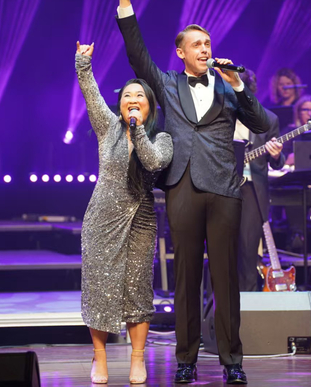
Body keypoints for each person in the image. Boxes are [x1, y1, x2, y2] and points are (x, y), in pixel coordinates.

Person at [115, 0, 270, 384]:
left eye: (208, 43)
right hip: (181, 185)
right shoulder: (167, 84)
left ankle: (232, 361)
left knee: (226, 277)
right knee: (186, 277)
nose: (204, 49)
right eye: (196, 44)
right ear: (181, 52)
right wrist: (125, 1)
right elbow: (137, 55)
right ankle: (186, 358)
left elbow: (263, 124)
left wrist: (238, 85)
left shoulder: (228, 87)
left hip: (223, 189)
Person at [75, 41, 173, 384]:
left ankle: (137, 358)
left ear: (150, 105)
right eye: (127, 95)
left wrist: (138, 129)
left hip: (140, 220)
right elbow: (90, 93)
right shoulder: (107, 127)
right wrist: (83, 63)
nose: (132, 99)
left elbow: (153, 162)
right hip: (102, 217)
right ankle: (100, 357)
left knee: (137, 289)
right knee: (99, 287)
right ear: (120, 103)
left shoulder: (162, 138)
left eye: (139, 96)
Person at [234, 69, 284, 292]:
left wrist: (276, 154)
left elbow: (277, 163)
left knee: (248, 249)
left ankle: (248, 302)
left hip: (252, 189)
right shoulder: (218, 118)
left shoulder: (268, 119)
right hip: (221, 187)